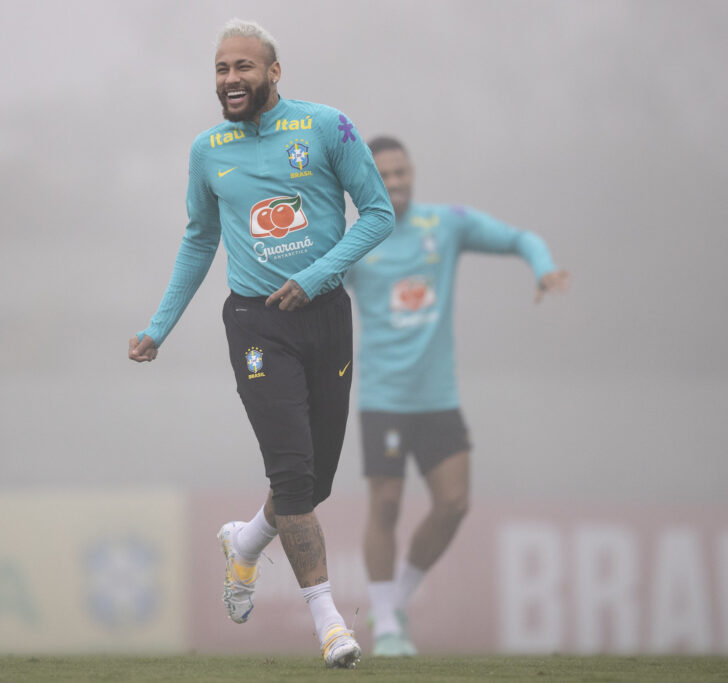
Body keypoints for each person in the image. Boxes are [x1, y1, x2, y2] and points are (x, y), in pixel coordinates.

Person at [127, 19, 394, 669]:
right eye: (221, 69)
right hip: (255, 324)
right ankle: (329, 622)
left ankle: (245, 543)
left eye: (244, 67)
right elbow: (198, 239)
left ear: (274, 72)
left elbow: (379, 212)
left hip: (325, 315)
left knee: (315, 480)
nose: (230, 79)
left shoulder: (328, 127)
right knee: (292, 473)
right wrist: (158, 327)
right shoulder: (207, 150)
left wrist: (317, 275)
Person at [346, 136, 570, 657]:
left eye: (402, 173)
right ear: (367, 182)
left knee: (453, 503)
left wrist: (542, 266)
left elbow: (521, 238)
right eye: (385, 176)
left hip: (438, 398)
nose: (396, 183)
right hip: (383, 397)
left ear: (413, 173)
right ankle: (385, 627)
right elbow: (317, 286)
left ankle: (395, 602)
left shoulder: (445, 224)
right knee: (386, 504)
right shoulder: (357, 240)